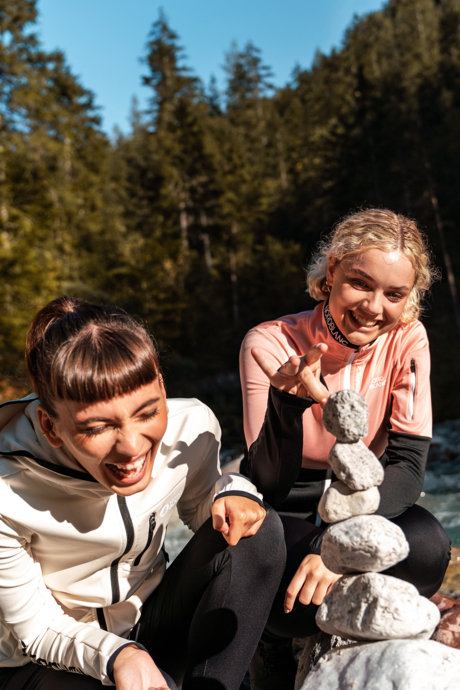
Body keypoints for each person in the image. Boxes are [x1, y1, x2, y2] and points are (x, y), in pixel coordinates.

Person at [0, 297, 286, 690]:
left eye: (148, 412)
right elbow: (35, 629)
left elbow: (204, 511)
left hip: (150, 623)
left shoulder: (192, 426)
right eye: (98, 428)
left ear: (162, 387)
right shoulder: (5, 489)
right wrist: (119, 655)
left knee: (259, 532)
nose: (132, 446)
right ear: (50, 427)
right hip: (46, 660)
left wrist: (234, 491)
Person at [239, 209, 451, 690]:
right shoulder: (270, 342)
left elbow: (408, 465)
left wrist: (332, 549)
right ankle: (274, 644)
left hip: (369, 499)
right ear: (331, 270)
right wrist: (286, 405)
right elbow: (267, 480)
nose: (375, 308)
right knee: (291, 602)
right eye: (360, 283)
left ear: (408, 297)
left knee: (430, 548)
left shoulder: (408, 339)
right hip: (288, 501)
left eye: (394, 294)